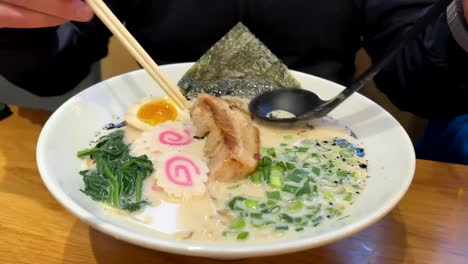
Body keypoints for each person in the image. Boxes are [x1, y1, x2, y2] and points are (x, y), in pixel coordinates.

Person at [0, 0, 467, 164]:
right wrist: (19, 21)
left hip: (321, 146)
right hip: (164, 146)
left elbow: (419, 84)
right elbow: (53, 70)